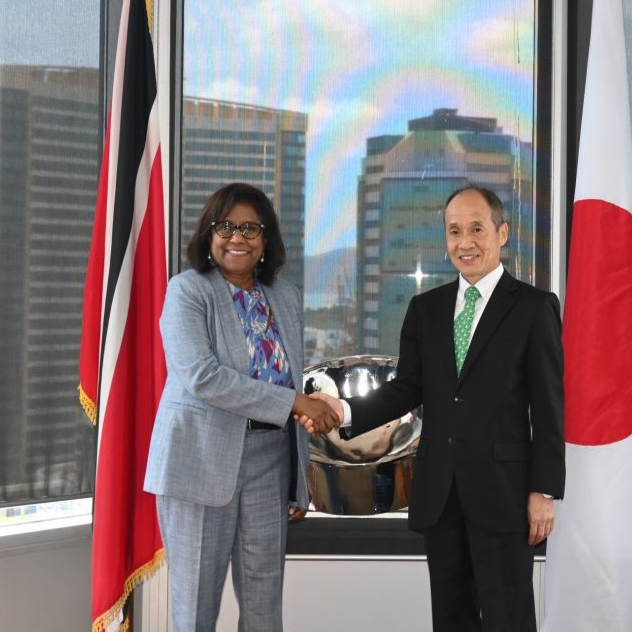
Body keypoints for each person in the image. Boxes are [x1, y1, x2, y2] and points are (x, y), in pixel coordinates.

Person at [309, 185, 564, 632]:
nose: (465, 242)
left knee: (509, 617)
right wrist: (344, 410)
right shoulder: (425, 309)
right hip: (440, 494)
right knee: (450, 618)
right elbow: (406, 389)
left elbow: (549, 408)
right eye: (454, 231)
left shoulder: (533, 308)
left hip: (503, 494)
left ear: (502, 233)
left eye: (477, 229)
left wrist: (543, 491)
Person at [144, 182, 338, 632]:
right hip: (199, 461)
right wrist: (294, 401)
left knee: (264, 606)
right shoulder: (187, 291)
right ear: (208, 235)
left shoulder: (284, 296)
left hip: (268, 463)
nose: (238, 237)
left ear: (266, 239)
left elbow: (290, 378)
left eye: (251, 228)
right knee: (195, 609)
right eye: (226, 226)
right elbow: (203, 377)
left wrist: (297, 479)